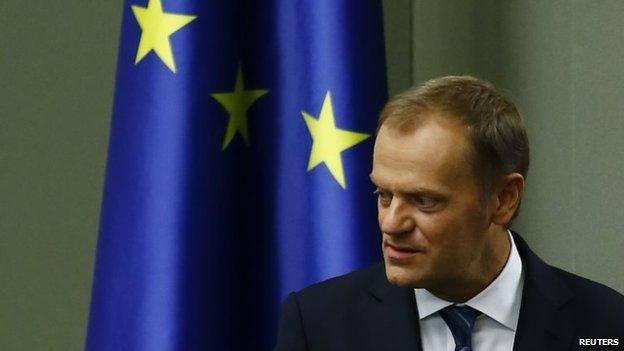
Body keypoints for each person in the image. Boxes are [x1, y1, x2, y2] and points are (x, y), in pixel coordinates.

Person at [274, 76, 624, 350]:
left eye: (423, 201)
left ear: (503, 199)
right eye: (383, 194)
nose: (392, 223)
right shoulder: (319, 325)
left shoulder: (607, 325)